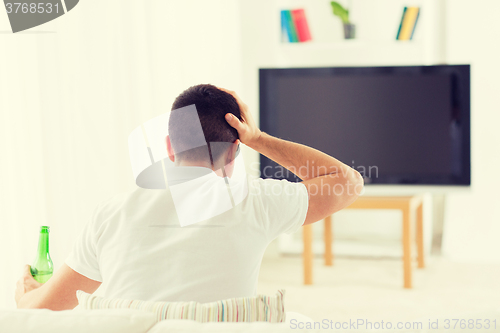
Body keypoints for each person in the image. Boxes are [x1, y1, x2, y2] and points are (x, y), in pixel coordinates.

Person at [15, 84, 363, 310]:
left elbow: (44, 308)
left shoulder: (112, 214)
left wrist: (25, 295)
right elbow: (347, 182)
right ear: (234, 153)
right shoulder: (256, 201)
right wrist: (257, 138)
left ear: (168, 147)